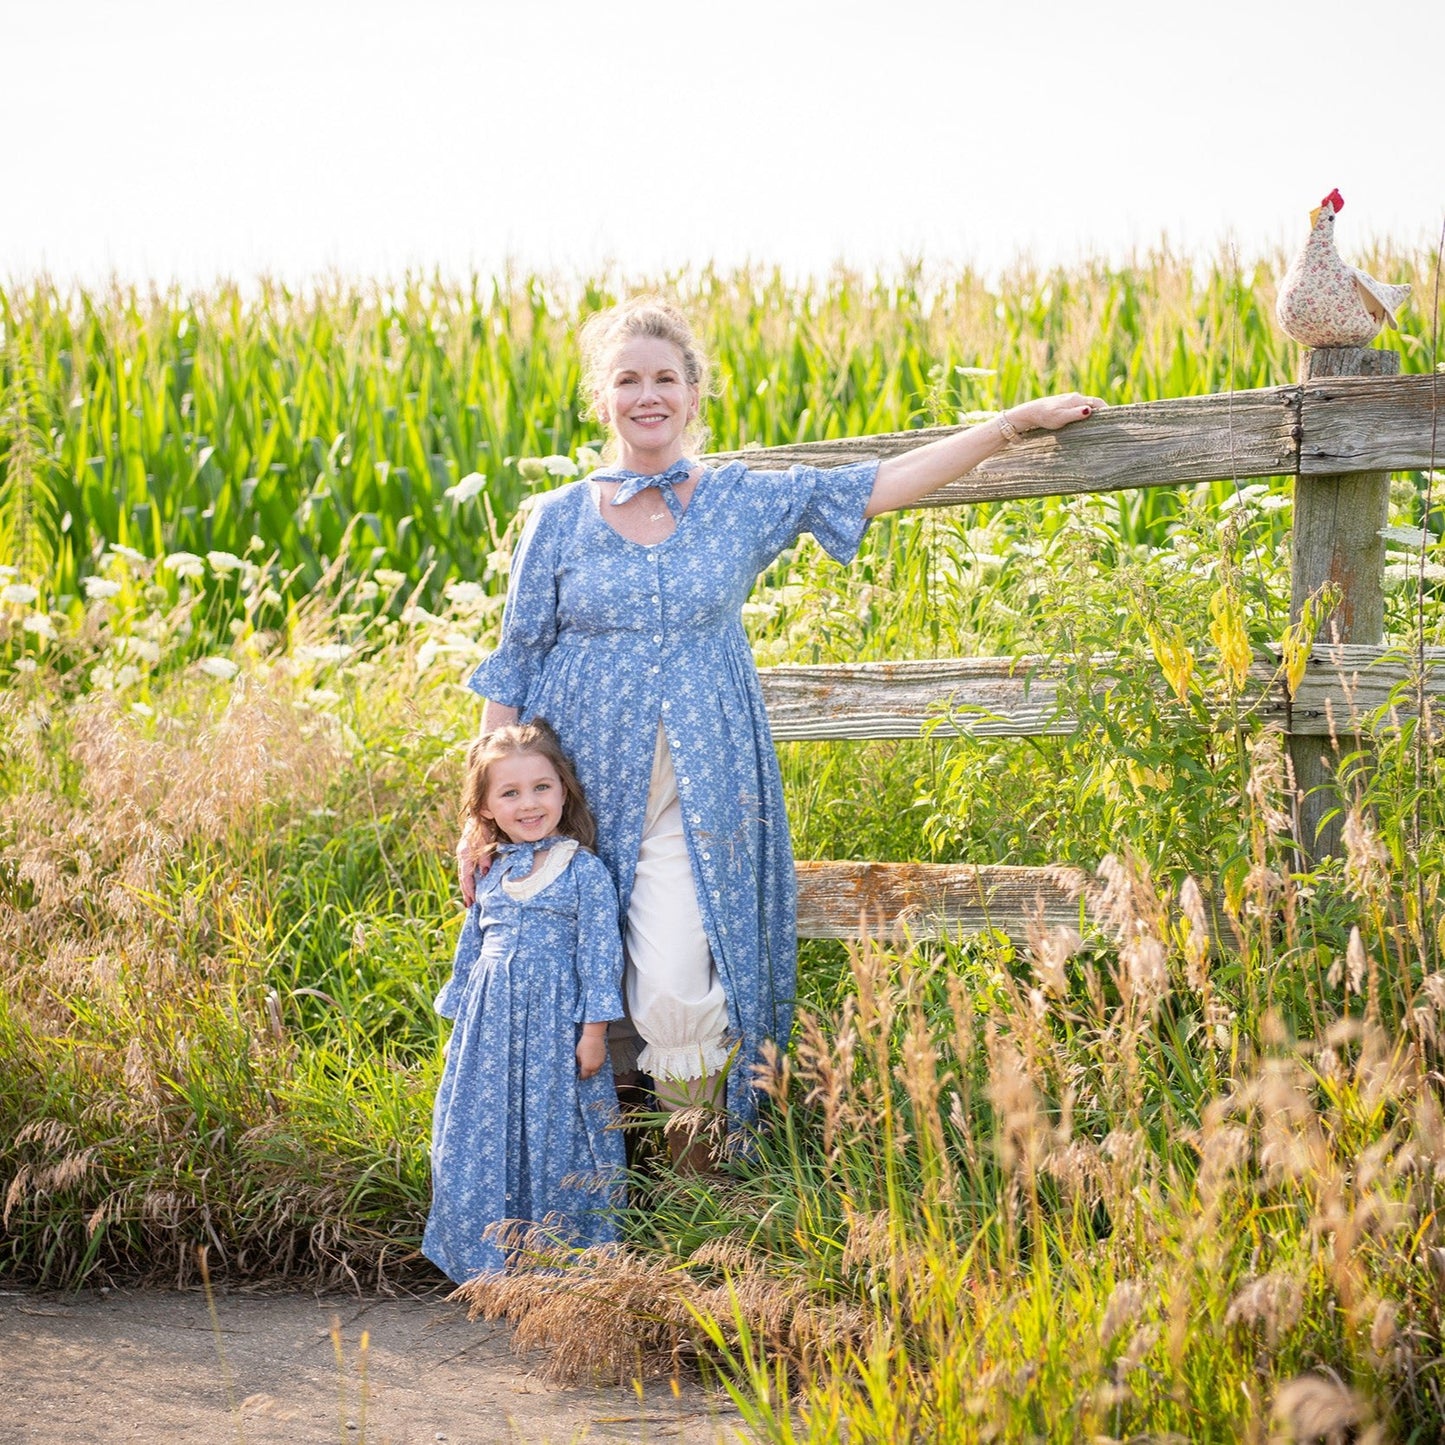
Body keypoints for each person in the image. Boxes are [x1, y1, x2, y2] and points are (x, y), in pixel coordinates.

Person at [459, 296, 1103, 1167]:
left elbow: (874, 487)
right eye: (626, 380)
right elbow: (514, 662)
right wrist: (481, 814)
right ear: (600, 399)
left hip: (695, 786)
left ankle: (695, 1194)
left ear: (693, 394)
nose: (647, 395)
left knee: (680, 984)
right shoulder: (558, 517)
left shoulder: (735, 500)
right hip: (566, 797)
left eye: (664, 378)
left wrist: (1004, 427)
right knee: (553, 982)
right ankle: (569, 1201)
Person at [424, 720, 626, 1282]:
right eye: (509, 793)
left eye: (541, 788)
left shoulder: (585, 872)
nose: (528, 803)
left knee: (555, 1138)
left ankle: (559, 1263)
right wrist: (461, 1026)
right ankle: (489, 1263)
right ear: (486, 808)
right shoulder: (490, 870)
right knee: (480, 1137)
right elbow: (473, 950)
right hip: (489, 1029)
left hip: (556, 1027)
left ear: (565, 790)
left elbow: (598, 958)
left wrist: (594, 1033)